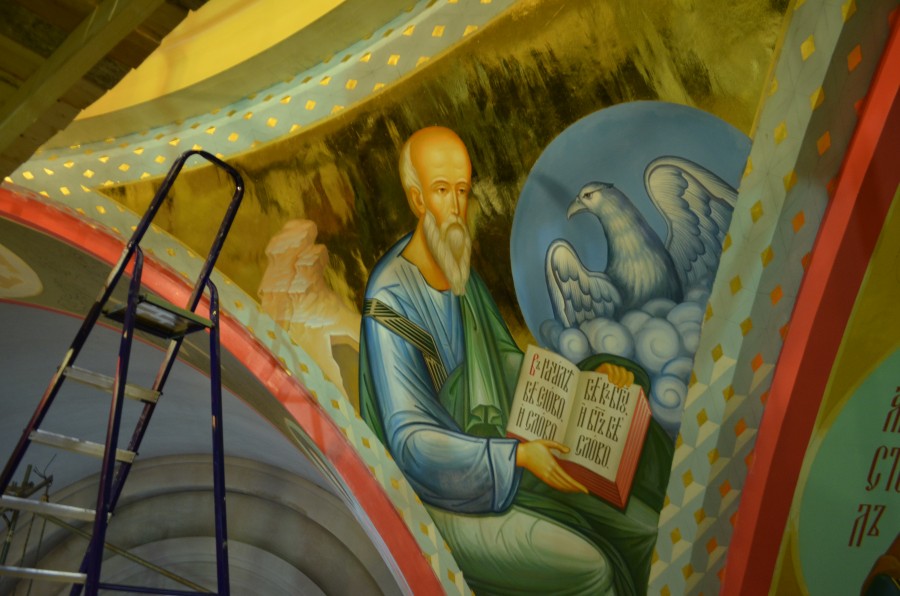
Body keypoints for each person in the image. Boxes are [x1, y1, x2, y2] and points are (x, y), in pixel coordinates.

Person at [359, 126, 667, 595]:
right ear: (417, 199)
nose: (456, 207)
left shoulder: (459, 271)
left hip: (503, 451)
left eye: (463, 190)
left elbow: (505, 366)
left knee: (643, 527)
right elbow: (411, 444)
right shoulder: (389, 299)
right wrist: (516, 456)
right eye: (441, 191)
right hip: (436, 501)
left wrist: (585, 384)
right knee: (590, 569)